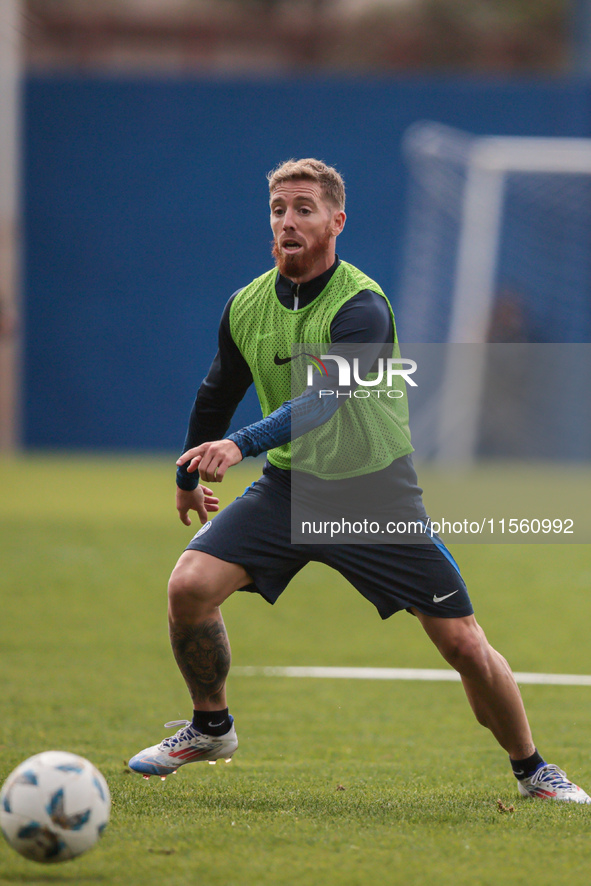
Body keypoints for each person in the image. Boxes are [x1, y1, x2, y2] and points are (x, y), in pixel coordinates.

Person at [129, 158, 589, 803]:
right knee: (189, 586)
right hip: (289, 490)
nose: (288, 221)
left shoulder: (363, 307)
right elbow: (218, 391)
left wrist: (239, 445)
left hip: (373, 494)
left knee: (461, 641)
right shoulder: (247, 305)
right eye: (278, 210)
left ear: (336, 222)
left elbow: (323, 401)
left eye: (304, 209)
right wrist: (185, 472)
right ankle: (211, 727)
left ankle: (534, 769)